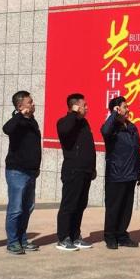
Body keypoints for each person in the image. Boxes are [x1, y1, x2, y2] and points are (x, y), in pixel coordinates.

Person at [55, 93, 96, 252]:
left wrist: (92, 168)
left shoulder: (84, 123)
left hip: (85, 171)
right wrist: (73, 113)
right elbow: (65, 131)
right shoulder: (64, 122)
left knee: (80, 205)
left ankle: (75, 235)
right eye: (84, 105)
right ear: (76, 106)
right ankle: (63, 238)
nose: (87, 108)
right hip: (73, 170)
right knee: (69, 205)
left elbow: (89, 147)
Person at [101, 96, 140, 249]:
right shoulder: (111, 128)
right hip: (116, 175)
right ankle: (110, 236)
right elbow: (105, 131)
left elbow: (136, 151)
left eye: (127, 106)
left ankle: (122, 235)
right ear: (117, 109)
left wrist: (139, 171)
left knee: (126, 209)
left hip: (131, 174)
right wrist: (113, 114)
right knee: (114, 208)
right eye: (125, 107)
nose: (128, 109)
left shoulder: (132, 127)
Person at [3, 90, 42, 255]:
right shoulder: (16, 121)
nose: (33, 104)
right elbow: (6, 129)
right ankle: (12, 242)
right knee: (16, 208)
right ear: (20, 106)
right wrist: (19, 115)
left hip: (31, 171)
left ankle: (22, 239)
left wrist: (36, 167)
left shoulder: (32, 121)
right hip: (17, 171)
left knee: (28, 207)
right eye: (29, 102)